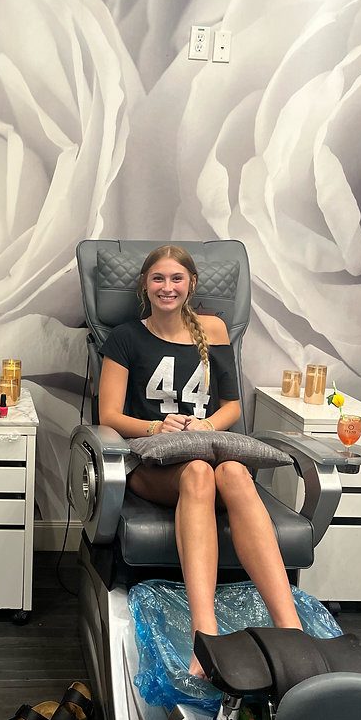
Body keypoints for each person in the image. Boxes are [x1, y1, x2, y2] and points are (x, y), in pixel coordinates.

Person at [98, 245, 301, 679]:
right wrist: (158, 428)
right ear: (144, 286)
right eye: (157, 278)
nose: (166, 287)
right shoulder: (125, 337)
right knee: (197, 473)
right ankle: (204, 638)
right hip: (154, 469)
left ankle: (291, 630)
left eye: (176, 278)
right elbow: (109, 416)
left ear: (191, 283)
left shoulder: (213, 329)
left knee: (232, 471)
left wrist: (206, 426)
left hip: (206, 451)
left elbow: (231, 406)